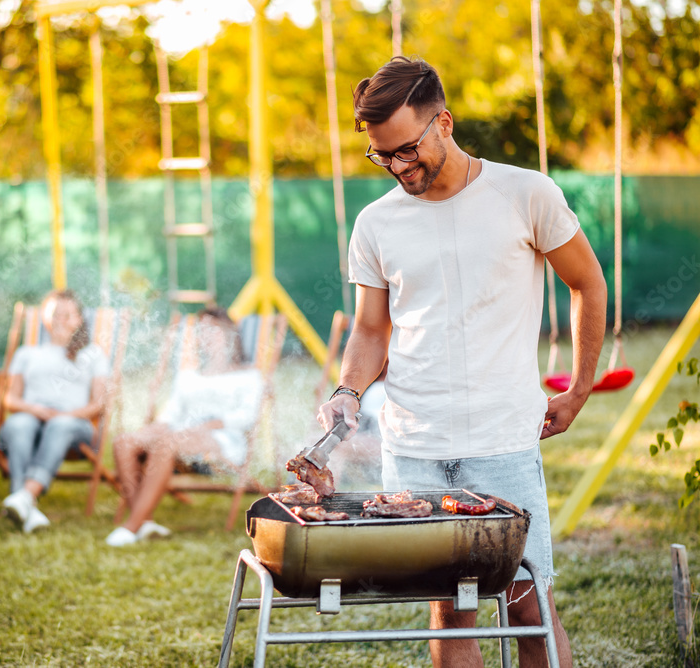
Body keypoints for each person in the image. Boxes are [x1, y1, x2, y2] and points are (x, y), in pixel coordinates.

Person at [317, 56, 606, 668]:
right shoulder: (376, 223)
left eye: (406, 149)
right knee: (449, 611)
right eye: (381, 156)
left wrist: (579, 387)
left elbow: (588, 282)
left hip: (502, 440)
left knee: (528, 606)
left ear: (442, 122)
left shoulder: (526, 193)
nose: (397, 167)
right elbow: (373, 328)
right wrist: (348, 389)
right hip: (414, 443)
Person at [106, 306, 264, 547]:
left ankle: (131, 526)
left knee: (166, 442)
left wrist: (208, 425)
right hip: (177, 436)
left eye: (214, 330)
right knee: (124, 441)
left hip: (222, 441)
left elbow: (247, 417)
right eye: (202, 331)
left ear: (230, 334)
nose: (206, 336)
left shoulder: (248, 376)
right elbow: (169, 417)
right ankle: (145, 521)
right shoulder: (189, 376)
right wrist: (145, 433)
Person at [0, 290, 111, 533]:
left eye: (68, 315)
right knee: (20, 424)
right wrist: (35, 409)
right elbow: (10, 399)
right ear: (44, 318)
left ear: (79, 320)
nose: (61, 320)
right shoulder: (27, 354)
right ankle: (27, 505)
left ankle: (24, 495)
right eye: (55, 314)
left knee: (60, 426)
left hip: (74, 424)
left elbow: (98, 403)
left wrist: (65, 416)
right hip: (31, 417)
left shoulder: (92, 354)